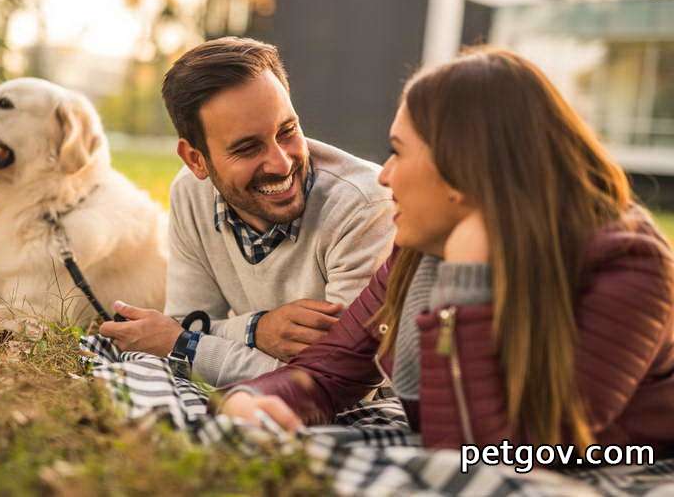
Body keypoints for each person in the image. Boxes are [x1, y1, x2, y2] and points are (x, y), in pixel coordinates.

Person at [220, 47, 674, 454]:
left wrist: (467, 282)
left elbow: (506, 454)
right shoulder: (422, 251)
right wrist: (255, 399)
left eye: (398, 152)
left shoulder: (628, 265)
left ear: (461, 169)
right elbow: (327, 372)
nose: (385, 176)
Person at [99, 37, 394, 387]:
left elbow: (343, 383)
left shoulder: (363, 206)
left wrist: (185, 347)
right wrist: (257, 330)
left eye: (287, 131)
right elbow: (189, 319)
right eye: (247, 147)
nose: (281, 163)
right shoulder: (191, 193)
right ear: (196, 160)